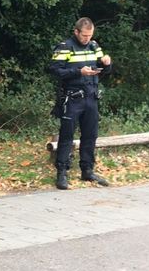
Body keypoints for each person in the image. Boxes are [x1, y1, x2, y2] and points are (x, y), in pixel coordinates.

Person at [48, 17, 112, 190]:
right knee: (67, 135)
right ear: (76, 32)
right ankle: (62, 172)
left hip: (91, 96)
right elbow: (54, 69)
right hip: (73, 97)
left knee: (90, 135)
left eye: (90, 35)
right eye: (84, 35)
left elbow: (105, 70)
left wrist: (107, 63)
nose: (87, 39)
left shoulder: (94, 46)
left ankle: (87, 170)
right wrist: (78, 72)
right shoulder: (65, 47)